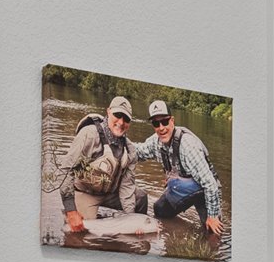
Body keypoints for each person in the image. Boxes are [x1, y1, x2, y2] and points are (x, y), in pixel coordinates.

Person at [131, 98, 224, 238]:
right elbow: (137, 151)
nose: (161, 128)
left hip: (205, 190)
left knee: (212, 233)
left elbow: (210, 184)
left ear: (172, 121)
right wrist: (117, 139)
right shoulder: (155, 142)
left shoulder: (188, 146)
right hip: (182, 187)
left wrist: (213, 216)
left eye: (165, 121)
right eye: (156, 123)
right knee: (159, 210)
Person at [53, 95, 142, 233]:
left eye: (126, 119)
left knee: (141, 198)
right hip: (85, 192)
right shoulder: (89, 134)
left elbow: (127, 186)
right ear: (108, 111)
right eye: (117, 115)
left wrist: (131, 220)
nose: (121, 122)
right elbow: (66, 171)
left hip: (111, 194)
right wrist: (70, 210)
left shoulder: (130, 149)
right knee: (79, 230)